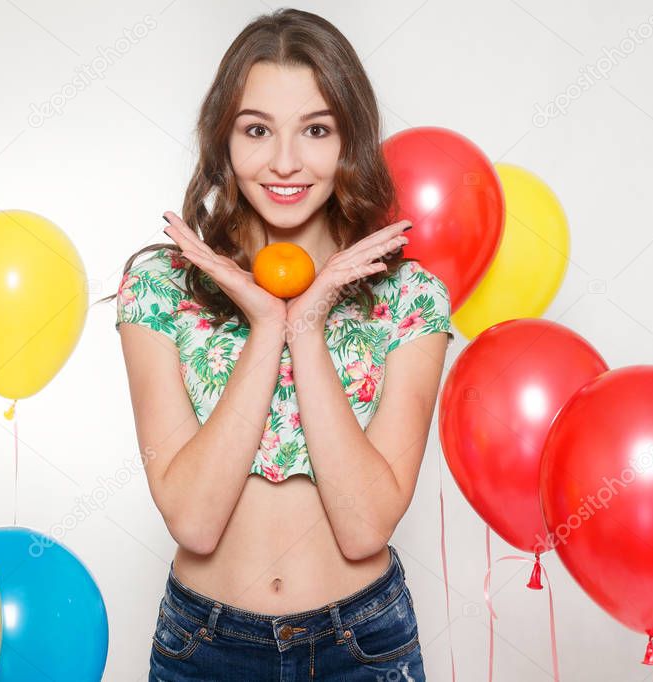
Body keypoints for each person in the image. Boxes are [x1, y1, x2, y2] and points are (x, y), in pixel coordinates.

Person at [106, 8, 455, 680]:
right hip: (202, 646)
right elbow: (194, 520)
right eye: (257, 130)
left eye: (316, 130)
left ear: (349, 142)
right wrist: (268, 327)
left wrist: (308, 323)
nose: (286, 161)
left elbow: (364, 528)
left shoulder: (409, 298)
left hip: (362, 646)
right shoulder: (158, 286)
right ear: (224, 141)